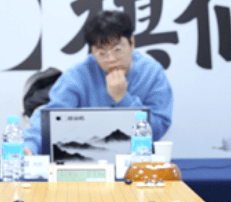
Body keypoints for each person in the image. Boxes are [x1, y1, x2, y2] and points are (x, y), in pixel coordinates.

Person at [23, 10, 173, 155]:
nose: (111, 59)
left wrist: (123, 99)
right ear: (92, 52)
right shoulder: (78, 75)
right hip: (85, 158)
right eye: (101, 53)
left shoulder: (152, 73)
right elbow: (51, 117)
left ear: (132, 43)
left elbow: (159, 128)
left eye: (118, 49)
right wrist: (30, 146)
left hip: (136, 159)